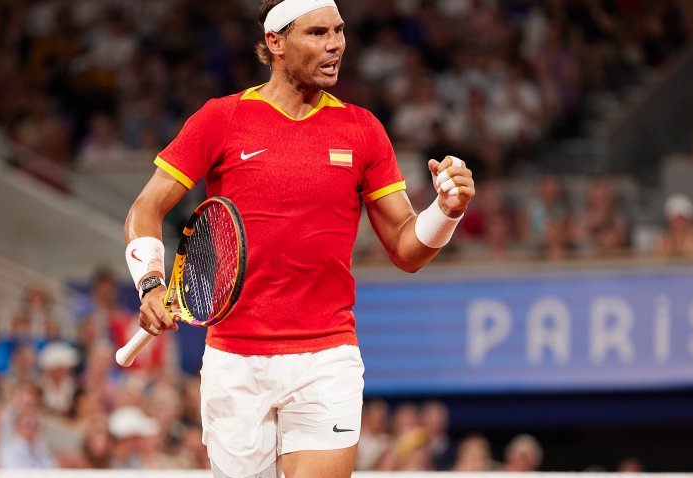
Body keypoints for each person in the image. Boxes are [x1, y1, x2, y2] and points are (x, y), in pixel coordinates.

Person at [122, 1, 475, 477]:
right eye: (317, 33)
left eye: (339, 30)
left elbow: (406, 249)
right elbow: (145, 210)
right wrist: (150, 283)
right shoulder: (220, 119)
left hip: (326, 357)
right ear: (276, 43)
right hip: (234, 360)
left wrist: (445, 212)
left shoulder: (362, 129)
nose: (335, 44)